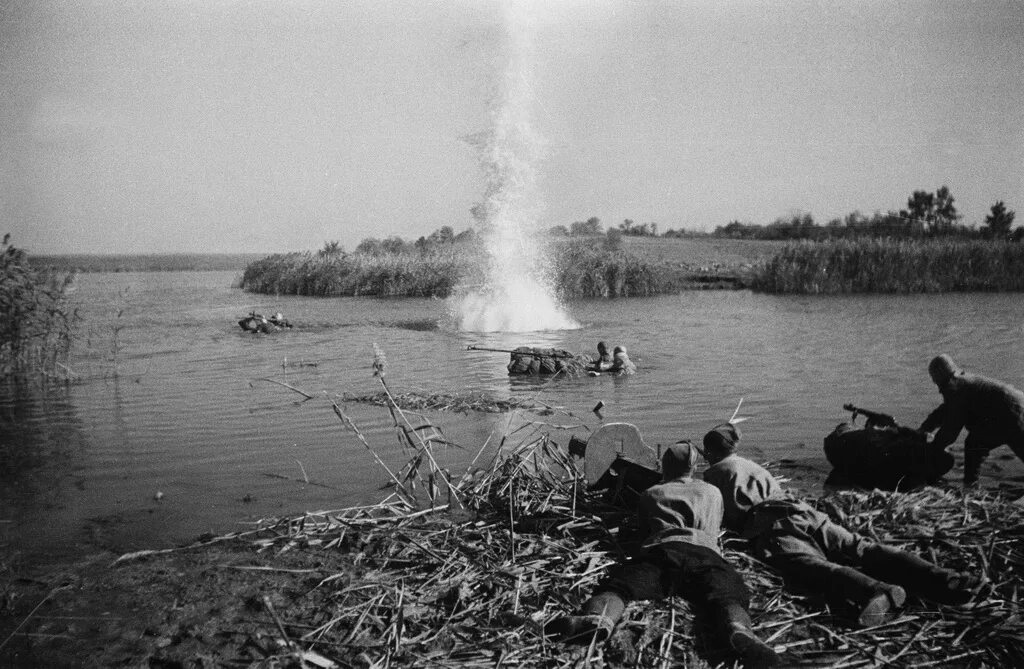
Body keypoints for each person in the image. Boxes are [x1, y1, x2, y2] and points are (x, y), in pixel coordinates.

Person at [699, 423, 984, 627]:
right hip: (803, 511)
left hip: (771, 524)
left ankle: (874, 590)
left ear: (711, 452)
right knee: (859, 547)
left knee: (807, 564)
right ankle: (950, 580)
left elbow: (716, 512)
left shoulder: (713, 474)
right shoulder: (752, 464)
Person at [545, 441, 781, 668]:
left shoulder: (652, 493)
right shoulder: (712, 492)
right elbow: (715, 526)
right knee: (728, 592)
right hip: (704, 553)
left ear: (666, 466)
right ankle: (739, 630)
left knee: (620, 586)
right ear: (694, 466)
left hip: (663, 550)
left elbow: (644, 532)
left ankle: (597, 619)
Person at [919, 354, 1024, 487]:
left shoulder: (954, 386)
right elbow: (946, 410)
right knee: (977, 443)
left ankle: (970, 485)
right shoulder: (960, 382)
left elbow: (951, 428)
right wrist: (924, 429)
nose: (934, 382)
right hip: (1016, 405)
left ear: (940, 373)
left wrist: (932, 449)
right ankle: (970, 484)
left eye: (933, 377)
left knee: (975, 444)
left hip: (1010, 413)